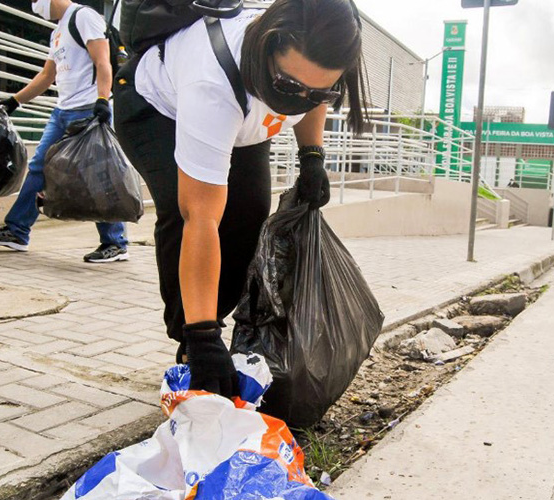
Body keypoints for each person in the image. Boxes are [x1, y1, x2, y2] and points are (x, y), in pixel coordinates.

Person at [114, 0, 367, 396]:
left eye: (315, 92)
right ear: (268, 44)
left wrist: (312, 156)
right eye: (287, 86)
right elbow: (201, 217)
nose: (297, 99)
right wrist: (202, 336)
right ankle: (192, 338)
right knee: (190, 217)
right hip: (157, 109)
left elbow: (312, 92)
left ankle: (210, 323)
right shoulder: (211, 82)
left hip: (245, 122)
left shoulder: (309, 69)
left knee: (249, 212)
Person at [0, 0, 130, 263]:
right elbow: (48, 75)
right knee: (39, 167)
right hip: (62, 111)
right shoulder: (57, 31)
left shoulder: (84, 17)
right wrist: (15, 101)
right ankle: (17, 231)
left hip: (87, 109)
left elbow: (103, 62)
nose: (35, 4)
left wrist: (102, 101)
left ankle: (115, 242)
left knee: (96, 174)